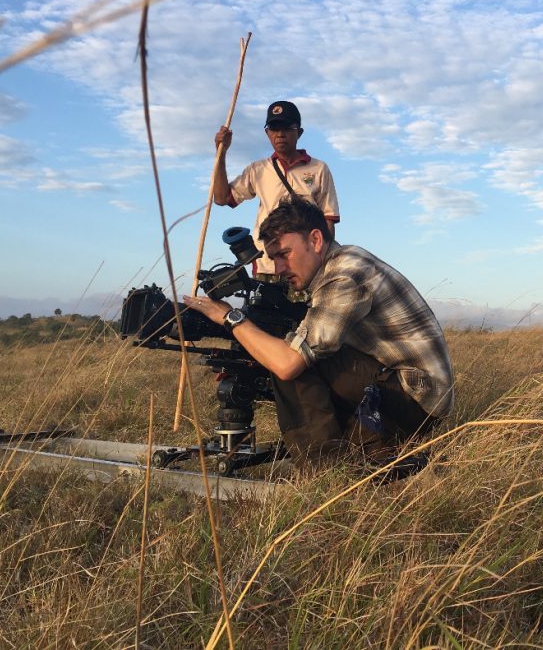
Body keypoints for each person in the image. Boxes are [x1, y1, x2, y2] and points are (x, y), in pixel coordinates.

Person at [184, 197, 454, 468]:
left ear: (314, 240)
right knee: (354, 446)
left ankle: (323, 470)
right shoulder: (338, 266)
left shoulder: (345, 274)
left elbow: (288, 364)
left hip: (415, 398)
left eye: (284, 254)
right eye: (273, 258)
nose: (278, 269)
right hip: (409, 393)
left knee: (290, 359)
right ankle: (368, 451)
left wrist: (230, 318)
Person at [213, 100, 340, 277]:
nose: (280, 134)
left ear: (299, 132)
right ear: (267, 133)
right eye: (274, 129)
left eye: (287, 128)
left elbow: (328, 219)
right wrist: (221, 153)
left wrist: (321, 261)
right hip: (267, 265)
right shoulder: (258, 170)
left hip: (305, 267)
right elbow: (221, 198)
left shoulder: (318, 169)